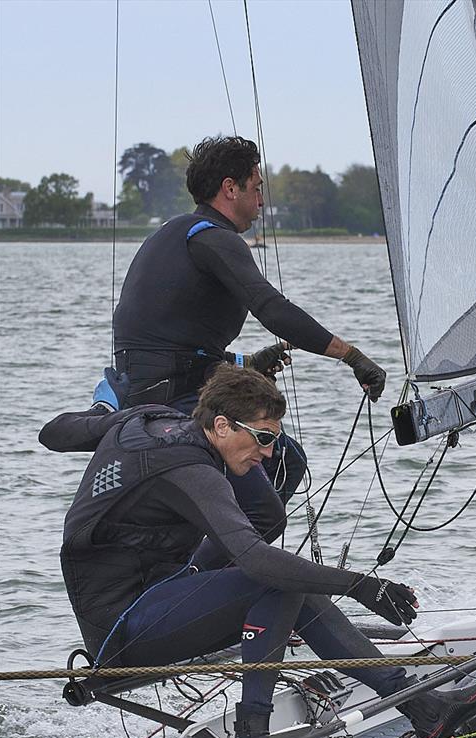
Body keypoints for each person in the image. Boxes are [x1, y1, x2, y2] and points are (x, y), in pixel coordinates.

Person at [39, 365, 476, 738]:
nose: (270, 451)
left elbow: (54, 432)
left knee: (292, 583)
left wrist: (106, 410)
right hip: (123, 631)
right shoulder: (189, 469)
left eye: (274, 437)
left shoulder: (145, 421)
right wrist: (361, 585)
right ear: (221, 425)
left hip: (160, 594)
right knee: (275, 578)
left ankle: (421, 708)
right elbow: (256, 559)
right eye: (262, 437)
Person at [112, 134, 387, 520]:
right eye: (256, 189)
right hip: (168, 401)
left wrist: (246, 362)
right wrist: (351, 356)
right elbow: (272, 309)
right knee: (268, 500)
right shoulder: (213, 238)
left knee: (285, 459)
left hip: (156, 386)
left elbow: (175, 340)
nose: (261, 202)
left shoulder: (174, 233)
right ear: (230, 188)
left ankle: (217, 555)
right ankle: (221, 573)